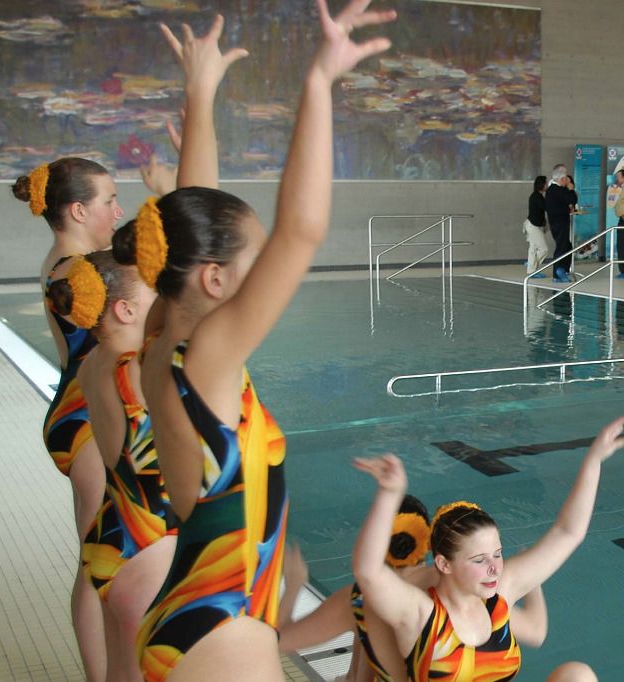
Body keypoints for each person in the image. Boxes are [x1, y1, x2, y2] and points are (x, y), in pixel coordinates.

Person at [130, 5, 395, 680]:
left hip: (202, 609)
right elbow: (301, 231)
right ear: (215, 279)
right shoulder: (210, 356)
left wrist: (201, 92)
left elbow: (192, 206)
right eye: (254, 261)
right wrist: (318, 82)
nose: (265, 276)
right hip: (220, 624)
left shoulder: (162, 336)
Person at [352, 413, 624, 681]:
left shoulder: (499, 594)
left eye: (497, 555)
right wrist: (389, 494)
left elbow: (567, 533)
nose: (494, 568)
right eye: (479, 560)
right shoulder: (420, 615)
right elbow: (368, 572)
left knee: (577, 674)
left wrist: (593, 461)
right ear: (444, 564)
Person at [13, 155, 123, 680]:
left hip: (75, 412)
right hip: (88, 421)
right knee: (100, 565)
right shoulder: (82, 272)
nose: (118, 211)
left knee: (98, 559)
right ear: (78, 210)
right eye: (109, 201)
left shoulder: (65, 261)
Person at [56, 248, 175, 681]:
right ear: (125, 310)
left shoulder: (92, 364)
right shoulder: (139, 370)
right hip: (151, 540)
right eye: (154, 290)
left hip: (109, 533)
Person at [279, 496, 552, 682]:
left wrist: (293, 587)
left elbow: (279, 641)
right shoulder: (457, 586)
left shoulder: (361, 598)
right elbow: (536, 631)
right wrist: (532, 584)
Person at [545, 164, 577, 282]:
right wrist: (571, 189)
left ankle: (563, 269)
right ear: (562, 179)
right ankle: (558, 272)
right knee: (561, 247)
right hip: (559, 222)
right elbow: (572, 199)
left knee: (567, 246)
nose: (568, 180)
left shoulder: (554, 189)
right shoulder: (556, 190)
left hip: (558, 221)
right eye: (566, 178)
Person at [524, 175, 549, 278]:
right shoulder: (536, 197)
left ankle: (531, 270)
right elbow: (546, 207)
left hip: (534, 225)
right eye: (546, 183)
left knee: (533, 249)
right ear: (541, 184)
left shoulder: (538, 196)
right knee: (544, 249)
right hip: (533, 226)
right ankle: (531, 266)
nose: (547, 185)